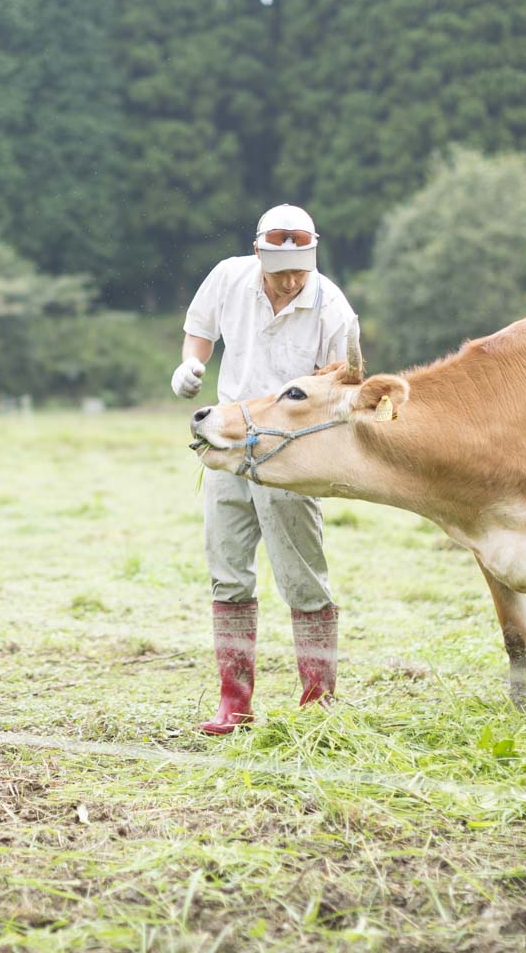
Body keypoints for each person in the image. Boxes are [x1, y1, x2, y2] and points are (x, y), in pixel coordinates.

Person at [172, 204, 359, 734]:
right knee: (228, 572)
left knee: (303, 577)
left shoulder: (333, 310)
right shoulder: (228, 278)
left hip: (289, 452)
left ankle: (318, 703)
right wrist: (191, 365)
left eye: (300, 271)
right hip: (227, 441)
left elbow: (339, 386)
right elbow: (198, 330)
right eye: (280, 273)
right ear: (258, 255)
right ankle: (235, 703)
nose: (291, 282)